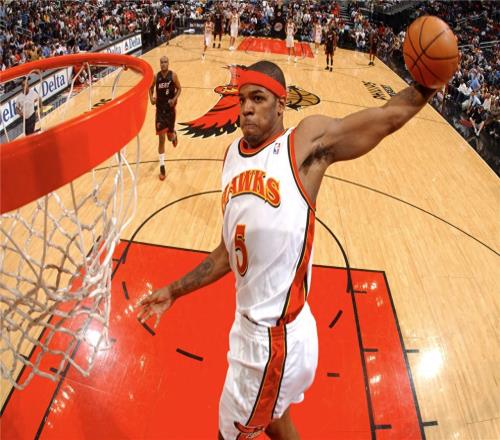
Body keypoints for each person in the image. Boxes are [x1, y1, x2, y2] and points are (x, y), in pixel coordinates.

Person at [138, 52, 444, 440]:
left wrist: (429, 84)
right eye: (242, 99)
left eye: (258, 98)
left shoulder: (302, 145)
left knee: (229, 434)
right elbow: (226, 253)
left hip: (271, 343)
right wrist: (175, 290)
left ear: (281, 104)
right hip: (254, 331)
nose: (246, 108)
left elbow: (385, 118)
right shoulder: (231, 157)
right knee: (274, 420)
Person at [149, 56, 181, 180]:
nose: (163, 64)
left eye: (165, 62)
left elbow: (179, 89)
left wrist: (174, 99)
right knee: (161, 139)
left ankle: (174, 136)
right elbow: (150, 88)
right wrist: (151, 98)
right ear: (159, 64)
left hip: (170, 112)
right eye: (161, 62)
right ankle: (162, 167)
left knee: (169, 137)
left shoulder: (173, 76)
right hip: (160, 113)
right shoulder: (155, 77)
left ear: (168, 63)